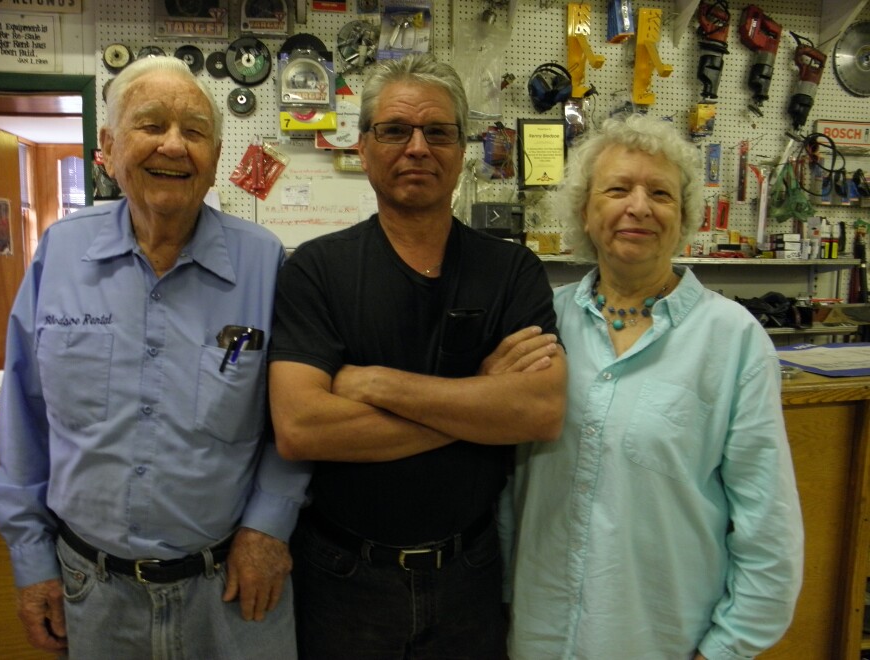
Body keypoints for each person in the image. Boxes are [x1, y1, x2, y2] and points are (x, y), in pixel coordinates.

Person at [0, 56, 311, 658]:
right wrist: (31, 561)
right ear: (107, 148)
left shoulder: (265, 264)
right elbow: (25, 418)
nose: (174, 144)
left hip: (234, 591)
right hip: (93, 592)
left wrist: (269, 526)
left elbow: (294, 419)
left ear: (215, 159)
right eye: (151, 124)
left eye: (194, 131)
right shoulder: (60, 252)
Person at [267, 53, 567, 659]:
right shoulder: (315, 272)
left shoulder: (512, 272)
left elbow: (538, 412)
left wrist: (374, 383)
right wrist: (478, 404)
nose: (417, 148)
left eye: (438, 132)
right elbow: (300, 428)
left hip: (471, 576)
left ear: (463, 149)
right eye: (396, 130)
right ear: (364, 145)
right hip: (343, 578)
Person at [506, 113, 804, 659]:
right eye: (617, 189)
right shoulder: (543, 322)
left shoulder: (733, 341)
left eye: (660, 193)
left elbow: (769, 530)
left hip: (660, 640)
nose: (638, 206)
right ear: (585, 213)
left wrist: (726, 651)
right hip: (537, 636)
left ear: (684, 216)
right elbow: (506, 490)